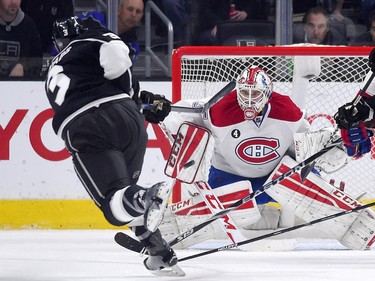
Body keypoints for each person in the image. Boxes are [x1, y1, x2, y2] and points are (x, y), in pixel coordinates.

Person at [45, 16, 180, 274]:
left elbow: (111, 54)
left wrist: (135, 97)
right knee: (124, 195)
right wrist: (139, 101)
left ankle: (147, 196)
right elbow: (116, 64)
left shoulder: (61, 62)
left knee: (113, 208)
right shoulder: (91, 43)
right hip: (129, 121)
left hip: (87, 125)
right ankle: (157, 248)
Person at [194, 0, 268, 46]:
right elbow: (204, 11)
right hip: (213, 27)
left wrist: (246, 13)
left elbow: (255, 5)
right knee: (212, 38)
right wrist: (218, 24)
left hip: (241, 29)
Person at [0, 0, 42, 77]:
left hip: (21, 87)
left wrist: (24, 67)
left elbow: (37, 61)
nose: (14, 2)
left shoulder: (29, 26)